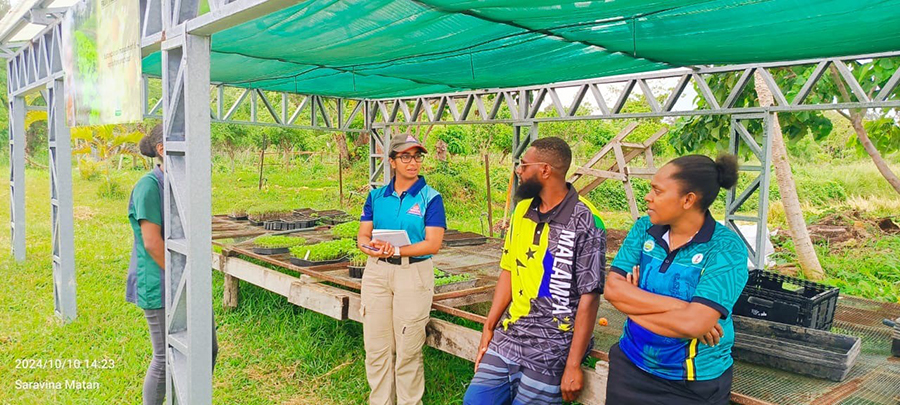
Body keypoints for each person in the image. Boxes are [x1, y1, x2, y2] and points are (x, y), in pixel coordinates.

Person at [463, 137, 607, 405]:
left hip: (554, 346)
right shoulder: (521, 210)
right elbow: (508, 268)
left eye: (524, 165)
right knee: (475, 401)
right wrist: (489, 327)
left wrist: (573, 364)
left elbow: (590, 296)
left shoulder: (587, 220)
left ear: (545, 170)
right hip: (512, 333)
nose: (519, 170)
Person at [603, 154, 748, 405]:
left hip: (691, 384)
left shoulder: (726, 248)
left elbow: (694, 325)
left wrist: (632, 304)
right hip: (629, 365)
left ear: (688, 200)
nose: (648, 197)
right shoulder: (643, 228)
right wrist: (683, 308)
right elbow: (613, 291)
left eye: (657, 191)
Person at [127, 125, 218, 405]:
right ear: (163, 151)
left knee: (207, 348)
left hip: (186, 280)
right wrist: (184, 279)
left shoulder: (182, 183)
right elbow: (152, 242)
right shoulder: (149, 186)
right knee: (166, 357)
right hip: (161, 282)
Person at [357, 135, 447, 405]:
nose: (412, 162)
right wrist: (369, 247)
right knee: (377, 347)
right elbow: (363, 235)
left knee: (408, 348)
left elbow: (433, 243)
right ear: (392, 161)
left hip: (413, 274)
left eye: (417, 156)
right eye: (405, 157)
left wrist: (395, 250)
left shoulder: (431, 198)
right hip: (377, 273)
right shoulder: (376, 196)